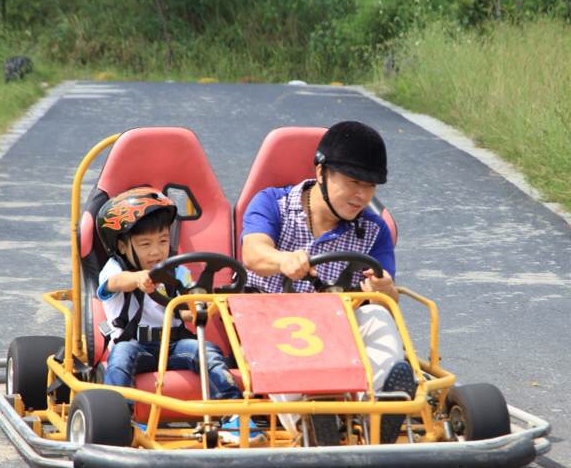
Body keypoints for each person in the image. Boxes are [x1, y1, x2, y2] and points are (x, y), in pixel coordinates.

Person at [241, 121, 417, 445]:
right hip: (272, 316)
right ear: (321, 173)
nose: (362, 196)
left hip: (341, 324)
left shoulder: (374, 230)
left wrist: (385, 291)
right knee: (276, 331)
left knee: (378, 315)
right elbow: (252, 253)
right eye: (353, 182)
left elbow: (385, 292)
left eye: (370, 186)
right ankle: (311, 420)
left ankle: (382, 407)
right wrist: (282, 260)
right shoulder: (272, 204)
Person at [96, 186, 255, 439]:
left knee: (207, 351)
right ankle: (120, 419)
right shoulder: (114, 268)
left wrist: (204, 306)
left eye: (162, 241)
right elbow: (114, 284)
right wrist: (137, 279)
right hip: (135, 343)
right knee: (121, 355)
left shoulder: (177, 270)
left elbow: (188, 313)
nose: (156, 251)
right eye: (145, 244)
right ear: (123, 246)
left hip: (173, 343)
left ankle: (233, 414)